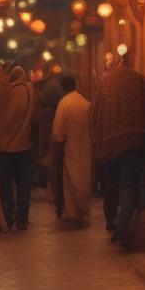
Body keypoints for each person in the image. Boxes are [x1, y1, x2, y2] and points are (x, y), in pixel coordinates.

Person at [93, 49, 145, 246]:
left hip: (111, 141)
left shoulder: (106, 82)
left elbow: (98, 113)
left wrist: (98, 142)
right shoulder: (141, 80)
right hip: (135, 139)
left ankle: (113, 223)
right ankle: (125, 226)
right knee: (129, 183)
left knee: (111, 184)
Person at [0, 64, 37, 230]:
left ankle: (6, 216)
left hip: (4, 148)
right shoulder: (29, 90)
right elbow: (34, 116)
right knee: (24, 185)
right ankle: (23, 218)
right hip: (24, 147)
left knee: (4, 183)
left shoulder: (6, 91)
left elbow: (0, 115)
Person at [50, 75, 92, 223]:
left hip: (68, 149)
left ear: (63, 87)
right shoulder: (86, 104)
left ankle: (71, 210)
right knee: (83, 176)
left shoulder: (64, 103)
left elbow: (57, 131)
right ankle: (83, 208)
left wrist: (56, 146)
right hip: (86, 147)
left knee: (68, 179)